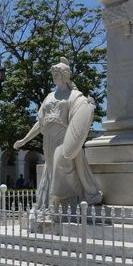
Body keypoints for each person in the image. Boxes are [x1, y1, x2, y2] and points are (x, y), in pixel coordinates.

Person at [14, 58, 103, 229]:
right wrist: (25, 139)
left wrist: (89, 107)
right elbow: (40, 123)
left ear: (64, 76)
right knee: (51, 172)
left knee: (58, 165)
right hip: (48, 140)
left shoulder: (75, 96)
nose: (54, 76)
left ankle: (53, 208)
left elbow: (80, 119)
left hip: (64, 139)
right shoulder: (48, 97)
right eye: (53, 73)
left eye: (56, 74)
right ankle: (53, 207)